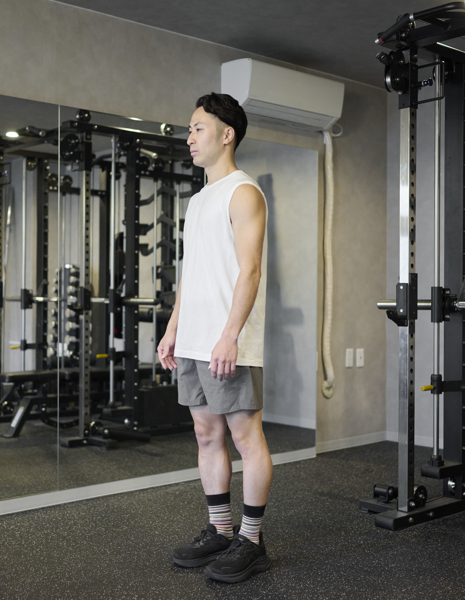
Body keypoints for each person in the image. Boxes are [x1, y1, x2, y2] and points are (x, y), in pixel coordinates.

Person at [158, 93, 271, 583]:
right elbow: (193, 273)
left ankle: (252, 539)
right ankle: (221, 529)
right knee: (206, 435)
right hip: (194, 339)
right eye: (189, 128)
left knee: (246, 438)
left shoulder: (243, 193)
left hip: (228, 341)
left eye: (198, 127)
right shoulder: (198, 199)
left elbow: (250, 270)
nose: (189, 137)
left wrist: (230, 336)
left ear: (227, 134)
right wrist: (173, 328)